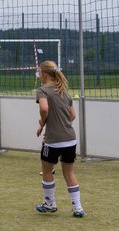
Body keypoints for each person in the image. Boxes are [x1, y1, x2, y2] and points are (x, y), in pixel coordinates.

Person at [35, 60, 84, 217]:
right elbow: (73, 116)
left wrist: (43, 121)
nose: (39, 76)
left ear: (44, 74)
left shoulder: (43, 90)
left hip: (53, 141)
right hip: (71, 139)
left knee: (47, 170)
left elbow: (44, 108)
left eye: (39, 73)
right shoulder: (63, 90)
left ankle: (50, 203)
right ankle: (78, 208)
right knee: (69, 173)